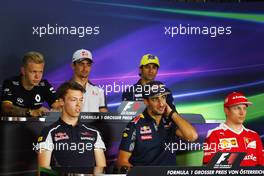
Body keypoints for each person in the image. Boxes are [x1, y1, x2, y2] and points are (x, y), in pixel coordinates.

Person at [117, 81, 198, 167]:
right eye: (155, 99)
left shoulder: (171, 121)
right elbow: (122, 162)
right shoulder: (135, 124)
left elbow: (192, 136)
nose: (161, 104)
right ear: (146, 101)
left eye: (163, 97)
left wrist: (172, 114)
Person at [37, 81, 106, 171]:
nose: (79, 104)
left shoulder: (94, 132)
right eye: (74, 100)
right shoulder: (49, 132)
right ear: (61, 101)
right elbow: (44, 170)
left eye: (81, 100)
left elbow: (100, 168)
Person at [203, 92, 264, 166]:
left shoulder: (254, 135)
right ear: (226, 111)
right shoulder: (215, 134)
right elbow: (210, 169)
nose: (242, 113)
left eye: (244, 108)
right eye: (237, 108)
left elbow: (261, 166)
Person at [0, 51, 60, 117]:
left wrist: (56, 110)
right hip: (13, 125)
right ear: (23, 71)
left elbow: (58, 105)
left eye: (40, 72)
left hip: (36, 126)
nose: (37, 77)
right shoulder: (11, 83)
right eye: (33, 72)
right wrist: (30, 112)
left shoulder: (44, 84)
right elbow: (6, 108)